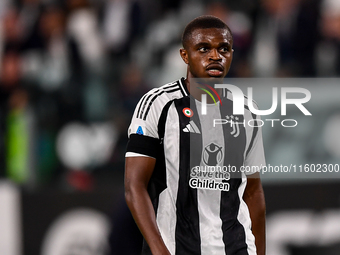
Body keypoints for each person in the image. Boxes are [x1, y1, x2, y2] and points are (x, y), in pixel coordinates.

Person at [125, 15, 266, 255]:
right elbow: (134, 186)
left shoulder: (246, 112)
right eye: (204, 48)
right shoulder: (157, 105)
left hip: (236, 247)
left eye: (224, 49)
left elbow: (253, 191)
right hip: (177, 247)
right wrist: (159, 251)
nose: (215, 56)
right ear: (185, 56)